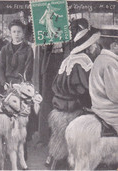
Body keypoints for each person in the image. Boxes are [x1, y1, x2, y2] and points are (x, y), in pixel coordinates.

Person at [47, 27, 101, 169]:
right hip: (74, 109)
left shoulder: (68, 60)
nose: (96, 46)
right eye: (94, 44)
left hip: (60, 106)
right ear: (88, 47)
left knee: (60, 146)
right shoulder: (83, 61)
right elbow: (85, 89)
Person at [89, 27, 118, 134]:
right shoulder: (109, 63)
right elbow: (115, 95)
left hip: (101, 106)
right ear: (114, 45)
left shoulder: (102, 59)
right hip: (110, 111)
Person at [0, 19, 33, 93]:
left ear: (23, 33)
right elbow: (1, 67)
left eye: (19, 32)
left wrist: (23, 83)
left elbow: (28, 68)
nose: (16, 34)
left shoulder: (28, 49)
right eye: (14, 32)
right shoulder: (5, 49)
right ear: (10, 33)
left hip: (21, 84)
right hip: (5, 84)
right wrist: (4, 82)